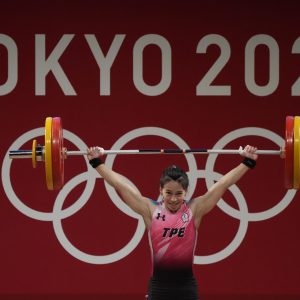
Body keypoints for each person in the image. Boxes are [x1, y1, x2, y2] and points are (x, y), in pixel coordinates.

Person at [87, 145, 258, 300]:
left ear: (186, 192)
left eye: (179, 193)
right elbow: (119, 184)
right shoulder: (150, 210)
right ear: (160, 190)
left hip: (186, 289)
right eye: (168, 193)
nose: (174, 199)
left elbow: (223, 184)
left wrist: (247, 161)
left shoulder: (195, 209)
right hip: (159, 289)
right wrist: (96, 162)